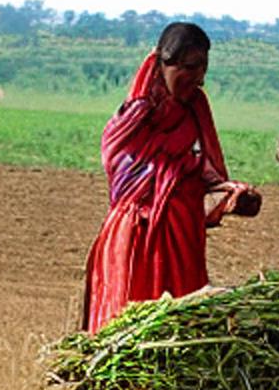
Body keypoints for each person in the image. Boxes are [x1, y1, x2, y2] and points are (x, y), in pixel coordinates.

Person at [82, 22, 262, 332]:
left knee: (185, 325)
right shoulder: (135, 116)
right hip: (138, 235)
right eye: (190, 67)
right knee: (134, 328)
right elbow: (120, 169)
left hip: (183, 235)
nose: (199, 78)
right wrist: (175, 177)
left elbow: (203, 170)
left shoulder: (196, 106)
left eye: (203, 68)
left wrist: (229, 193)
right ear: (164, 64)